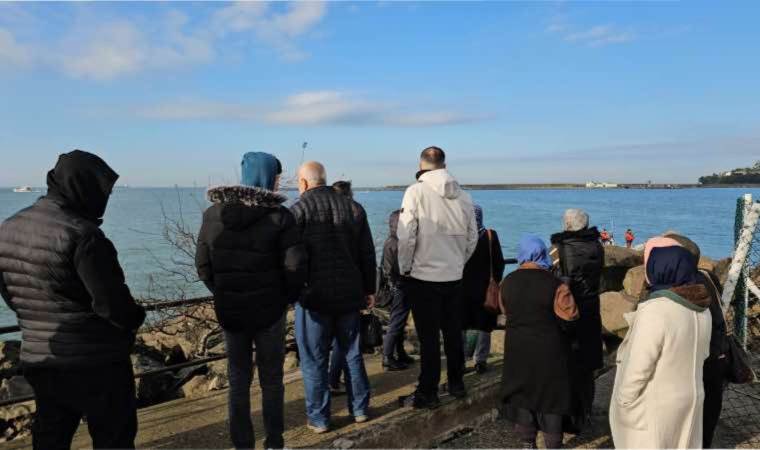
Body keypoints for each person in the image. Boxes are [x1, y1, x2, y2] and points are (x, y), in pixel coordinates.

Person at [0, 150, 146, 450]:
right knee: (113, 437)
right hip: (96, 362)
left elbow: (10, 292)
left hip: (41, 356)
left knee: (50, 435)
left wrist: (36, 319)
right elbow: (112, 305)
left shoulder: (8, 228)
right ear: (86, 187)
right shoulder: (83, 235)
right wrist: (135, 320)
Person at [196, 152, 307, 449]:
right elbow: (295, 268)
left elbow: (203, 266)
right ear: (267, 177)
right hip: (270, 313)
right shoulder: (281, 217)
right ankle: (274, 442)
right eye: (277, 176)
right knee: (272, 381)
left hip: (231, 311)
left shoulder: (212, 214)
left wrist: (222, 292)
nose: (278, 181)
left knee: (238, 381)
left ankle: (242, 444)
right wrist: (285, 299)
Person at [291, 162, 376, 433]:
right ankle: (360, 409)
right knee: (351, 352)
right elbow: (367, 254)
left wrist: (294, 292)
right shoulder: (353, 208)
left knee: (313, 359)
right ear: (324, 180)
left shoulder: (297, 211)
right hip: (350, 294)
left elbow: (291, 261)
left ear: (304, 183)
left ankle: (319, 418)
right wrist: (369, 289)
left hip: (313, 298)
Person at [610, 240, 712, 449]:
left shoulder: (656, 310)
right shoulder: (702, 310)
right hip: (689, 399)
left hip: (654, 404)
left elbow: (639, 366)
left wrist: (624, 402)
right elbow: (703, 354)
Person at [397, 146, 478, 409]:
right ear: (444, 164)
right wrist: (458, 262)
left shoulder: (415, 192)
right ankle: (456, 383)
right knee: (454, 333)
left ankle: (428, 391)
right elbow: (472, 238)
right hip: (454, 276)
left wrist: (405, 267)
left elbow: (407, 235)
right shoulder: (464, 197)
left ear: (422, 165)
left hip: (423, 276)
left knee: (429, 337)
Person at [500, 235, 580, 449]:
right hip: (549, 352)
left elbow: (505, 310)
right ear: (543, 254)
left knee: (522, 396)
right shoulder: (556, 285)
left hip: (517, 350)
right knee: (550, 401)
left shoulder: (508, 282)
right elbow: (570, 317)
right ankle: (553, 444)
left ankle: (527, 443)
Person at [663, 232, 730, 449]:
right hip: (716, 353)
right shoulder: (707, 276)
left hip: (695, 359)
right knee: (708, 413)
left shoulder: (678, 286)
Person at [550, 209, 604, 423]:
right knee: (587, 363)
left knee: (567, 360)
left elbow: (551, 276)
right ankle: (586, 409)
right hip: (591, 308)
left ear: (566, 225)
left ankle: (569, 411)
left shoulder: (558, 249)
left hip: (568, 310)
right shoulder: (597, 247)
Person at [461, 204, 505, 374]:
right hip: (485, 288)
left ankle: (460, 361)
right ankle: (480, 360)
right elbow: (499, 263)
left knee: (461, 325)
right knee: (484, 325)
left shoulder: (459, 236)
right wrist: (496, 281)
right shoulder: (490, 235)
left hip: (461, 288)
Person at [381, 210, 414, 371]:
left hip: (399, 286)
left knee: (399, 322)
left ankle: (399, 353)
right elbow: (391, 270)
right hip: (399, 288)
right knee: (396, 323)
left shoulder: (393, 241)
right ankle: (387, 356)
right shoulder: (395, 242)